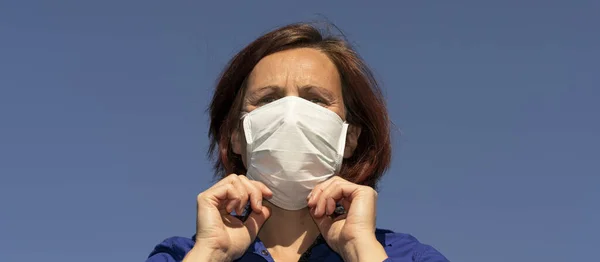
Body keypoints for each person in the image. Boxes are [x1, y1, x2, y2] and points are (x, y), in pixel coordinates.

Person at [146, 22, 449, 262]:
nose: (290, 115)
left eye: (316, 99)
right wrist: (211, 253)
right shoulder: (181, 256)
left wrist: (361, 250)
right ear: (237, 136)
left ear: (349, 138)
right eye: (268, 99)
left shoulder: (409, 256)